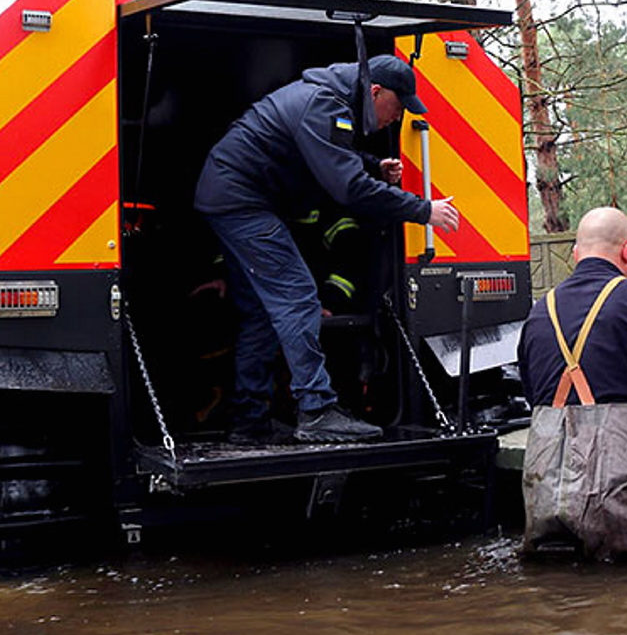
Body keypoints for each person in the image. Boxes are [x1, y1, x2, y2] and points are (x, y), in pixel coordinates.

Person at [195, 54, 459, 444]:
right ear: (375, 92)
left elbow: (325, 152)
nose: (396, 118)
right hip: (243, 201)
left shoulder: (324, 100)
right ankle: (317, 410)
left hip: (229, 197)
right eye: (398, 107)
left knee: (261, 315)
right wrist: (423, 210)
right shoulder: (324, 104)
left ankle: (249, 421)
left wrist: (372, 166)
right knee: (298, 298)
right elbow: (347, 188)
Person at [518, 207, 627, 558]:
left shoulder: (538, 312)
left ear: (575, 253)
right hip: (626, 496)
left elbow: (530, 395)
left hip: (546, 499)